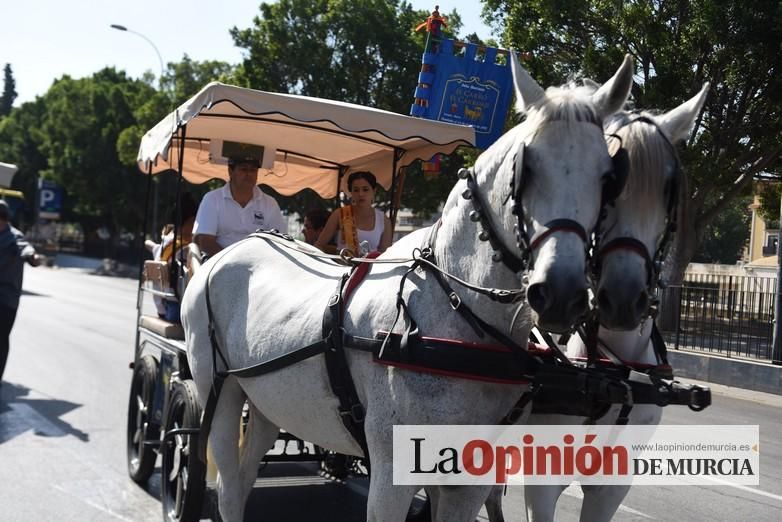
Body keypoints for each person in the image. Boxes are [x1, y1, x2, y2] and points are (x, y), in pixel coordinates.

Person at [193, 151, 284, 257]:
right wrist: (231, 263)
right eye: (243, 169)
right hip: (219, 264)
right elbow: (205, 241)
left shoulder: (270, 204)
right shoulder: (212, 199)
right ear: (230, 171)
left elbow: (279, 242)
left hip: (258, 265)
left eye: (253, 170)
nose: (249, 174)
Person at [0, 200, 43, 383]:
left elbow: (25, 248)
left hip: (5, 300)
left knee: (0, 340)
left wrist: (33, 257)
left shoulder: (14, 237)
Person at [315, 171, 392, 255]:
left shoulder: (383, 220)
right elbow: (319, 245)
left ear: (374, 191)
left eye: (365, 189)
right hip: (343, 266)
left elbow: (385, 255)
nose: (360, 194)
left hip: (371, 267)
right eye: (356, 190)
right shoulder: (340, 214)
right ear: (351, 192)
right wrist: (336, 253)